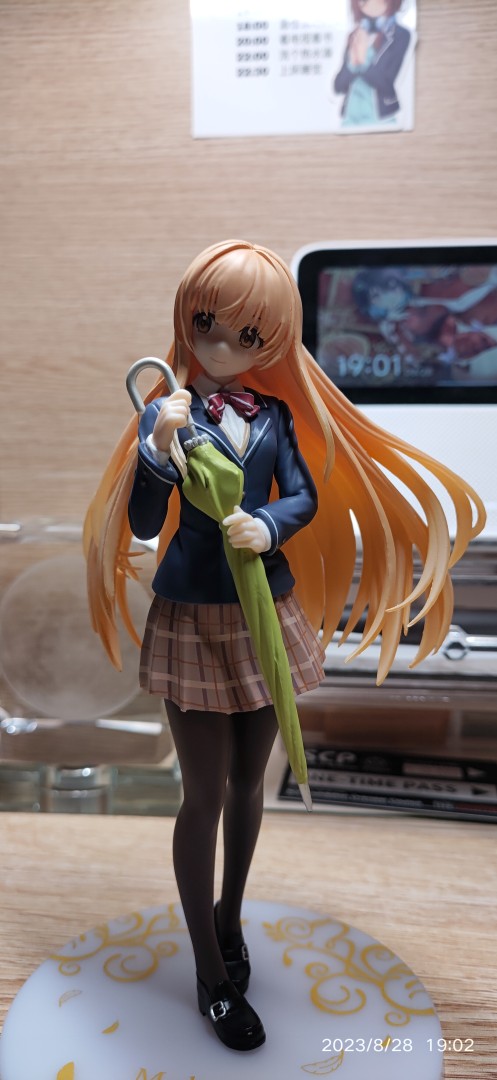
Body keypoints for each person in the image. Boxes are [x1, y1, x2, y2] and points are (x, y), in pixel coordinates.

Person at [85, 239, 485, 1052]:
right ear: (184, 323)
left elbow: (300, 495)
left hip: (265, 607)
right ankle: (209, 973)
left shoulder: (272, 416)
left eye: (248, 335)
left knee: (248, 783)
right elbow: (141, 523)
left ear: (273, 342)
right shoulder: (165, 413)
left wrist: (266, 525)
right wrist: (157, 451)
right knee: (201, 796)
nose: (222, 346)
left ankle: (230, 918)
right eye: (206, 324)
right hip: (195, 614)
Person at [334, 0, 411, 126]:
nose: (372, 4)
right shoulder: (354, 35)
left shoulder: (400, 35)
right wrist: (352, 64)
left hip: (381, 120)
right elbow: (338, 86)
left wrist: (363, 60)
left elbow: (387, 85)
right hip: (350, 119)